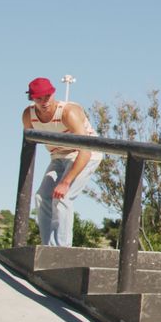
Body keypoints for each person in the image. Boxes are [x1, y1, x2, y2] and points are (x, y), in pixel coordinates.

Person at [21, 77, 103, 247]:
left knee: (62, 196)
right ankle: (48, 247)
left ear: (53, 94)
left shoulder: (68, 112)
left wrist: (65, 182)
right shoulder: (29, 116)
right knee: (42, 197)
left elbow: (85, 150)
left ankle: (61, 249)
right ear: (32, 98)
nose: (44, 102)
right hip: (58, 156)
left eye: (47, 97)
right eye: (39, 98)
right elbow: (29, 146)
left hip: (84, 154)